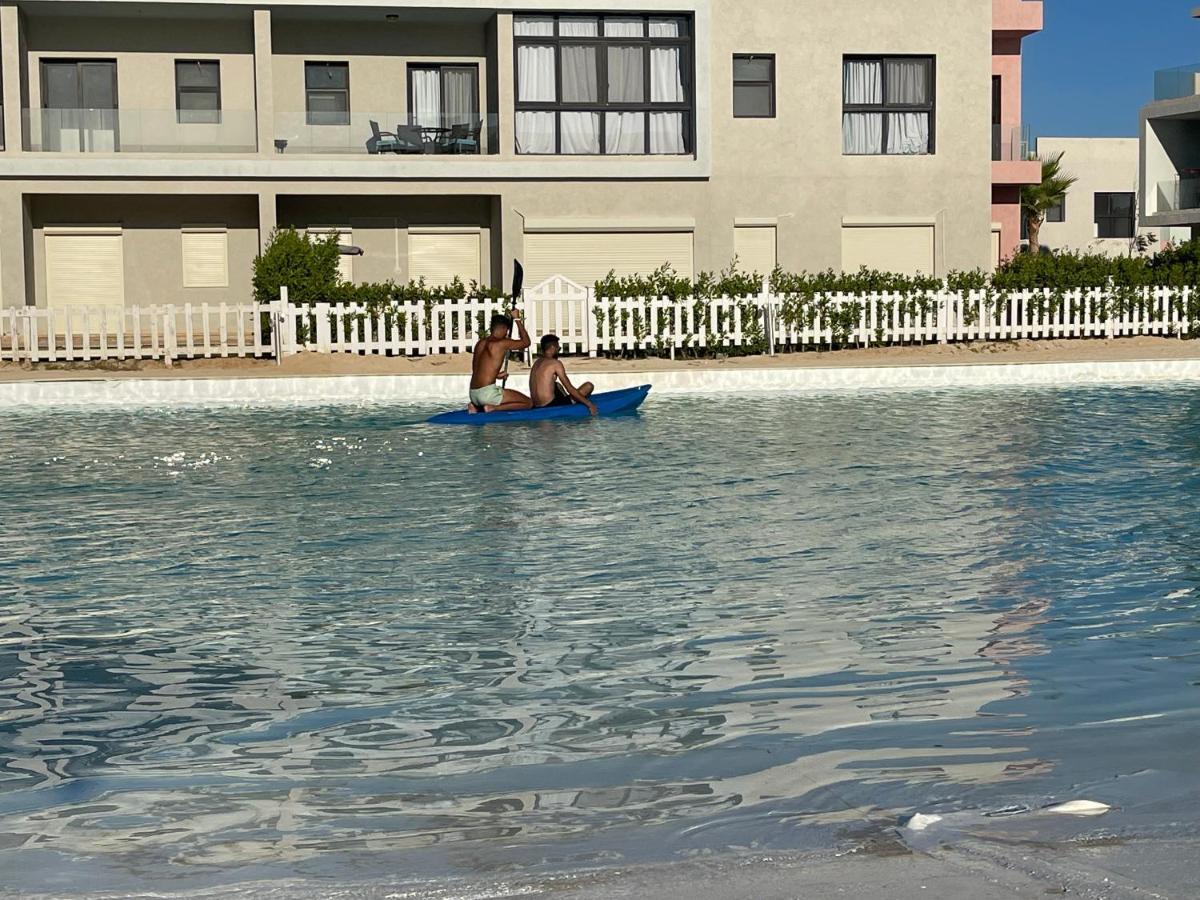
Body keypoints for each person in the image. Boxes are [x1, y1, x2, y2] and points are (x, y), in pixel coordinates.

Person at [469, 311, 532, 413]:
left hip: (473, 393)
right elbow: (526, 342)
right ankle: (492, 408)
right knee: (528, 403)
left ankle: (475, 406)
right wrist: (517, 319)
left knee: (493, 395)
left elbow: (477, 369)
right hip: (487, 394)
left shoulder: (480, 343)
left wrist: (497, 375)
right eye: (506, 330)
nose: (507, 333)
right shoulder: (501, 343)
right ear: (503, 328)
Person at [529, 334, 597, 415]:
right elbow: (570, 388)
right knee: (588, 386)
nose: (559, 350)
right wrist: (589, 404)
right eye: (558, 348)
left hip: (536, 406)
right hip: (551, 406)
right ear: (552, 347)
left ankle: (565, 399)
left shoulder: (536, 363)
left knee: (557, 385)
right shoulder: (555, 363)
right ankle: (569, 405)